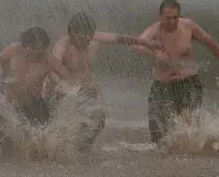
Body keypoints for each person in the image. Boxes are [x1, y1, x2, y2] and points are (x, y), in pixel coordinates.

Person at [131, 0, 219, 145]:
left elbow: (210, 43)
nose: (172, 21)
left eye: (175, 17)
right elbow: (137, 45)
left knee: (188, 122)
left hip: (188, 82)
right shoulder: (154, 30)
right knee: (156, 130)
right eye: (168, 18)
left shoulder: (188, 26)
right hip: (162, 85)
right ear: (160, 16)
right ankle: (164, 158)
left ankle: (195, 152)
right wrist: (153, 53)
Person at [48, 12, 163, 148]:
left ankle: (82, 147)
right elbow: (52, 67)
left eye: (88, 35)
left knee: (99, 122)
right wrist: (62, 85)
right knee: (61, 123)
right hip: (65, 89)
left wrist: (147, 43)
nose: (85, 39)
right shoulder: (64, 44)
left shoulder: (94, 38)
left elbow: (121, 39)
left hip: (87, 88)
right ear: (72, 33)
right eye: (80, 36)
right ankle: (60, 147)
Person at [0, 27, 72, 127]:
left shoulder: (47, 59)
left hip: (35, 104)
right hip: (12, 103)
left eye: (40, 49)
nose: (35, 52)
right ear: (25, 44)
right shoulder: (14, 49)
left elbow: (66, 74)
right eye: (33, 47)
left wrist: (62, 86)